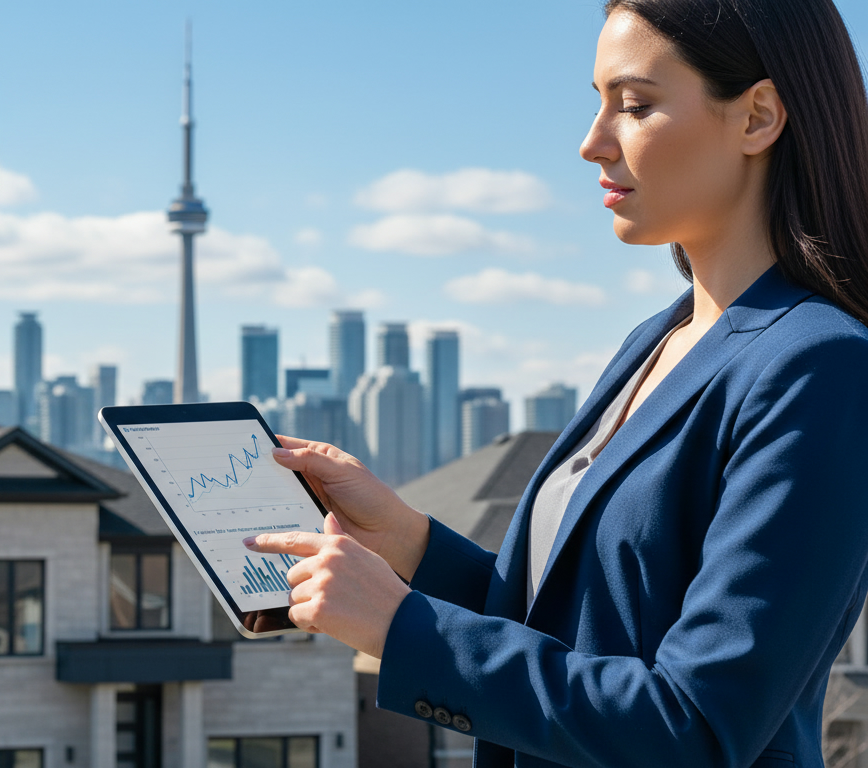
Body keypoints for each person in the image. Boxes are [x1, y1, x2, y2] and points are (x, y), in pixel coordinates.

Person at [244, 0, 868, 764]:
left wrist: (404, 626)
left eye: (634, 105)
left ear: (758, 117)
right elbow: (580, 630)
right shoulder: (659, 339)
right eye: (597, 102)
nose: (591, 142)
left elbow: (698, 728)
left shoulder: (821, 364)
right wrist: (409, 546)